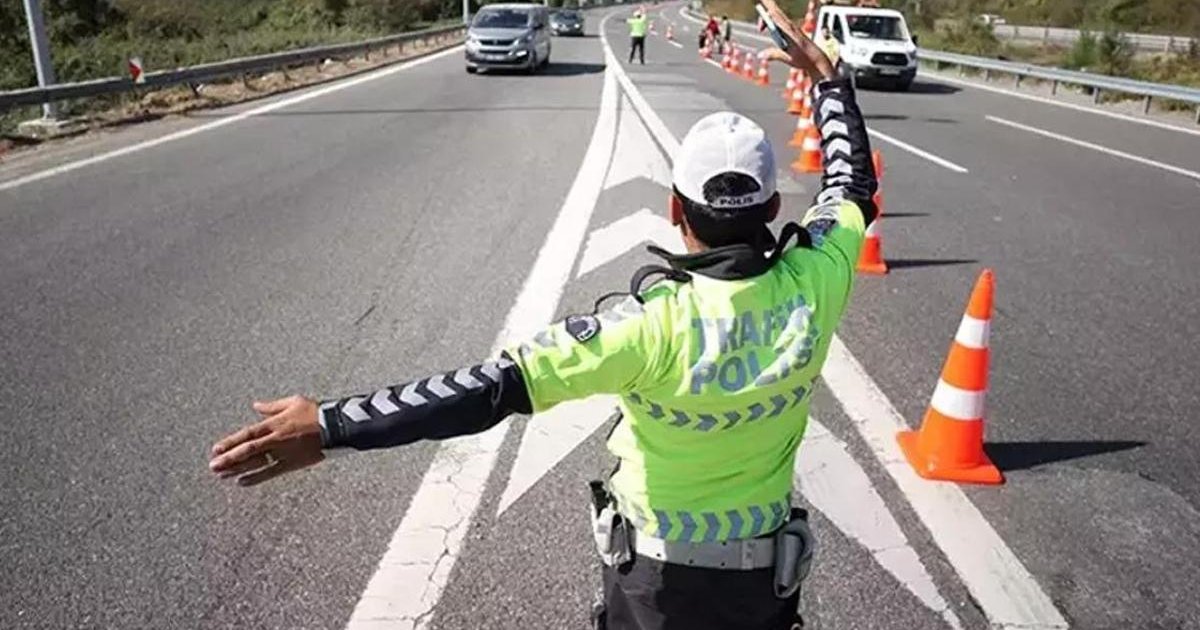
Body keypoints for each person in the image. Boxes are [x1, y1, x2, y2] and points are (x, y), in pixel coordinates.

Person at [207, 0, 878, 626]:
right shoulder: (818, 279)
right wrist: (827, 83)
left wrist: (329, 424)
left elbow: (484, 391)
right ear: (770, 209)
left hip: (653, 590)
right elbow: (852, 185)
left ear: (676, 211)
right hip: (764, 589)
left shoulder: (647, 327)